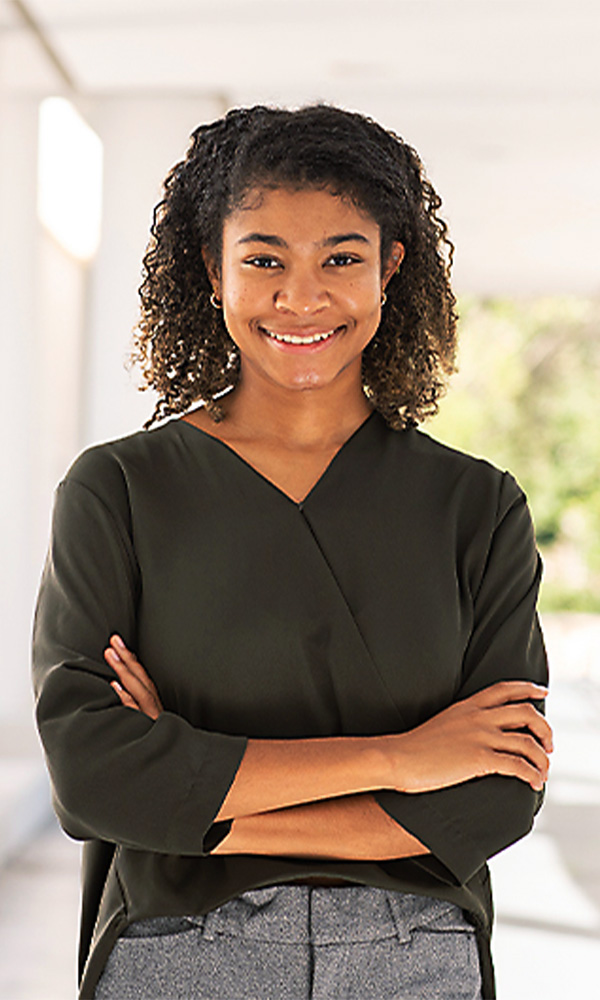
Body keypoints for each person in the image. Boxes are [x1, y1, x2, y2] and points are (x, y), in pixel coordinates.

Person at [32, 104, 552, 1000]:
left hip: (417, 952)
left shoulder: (476, 506)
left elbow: (495, 792)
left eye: (341, 259)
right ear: (212, 267)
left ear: (391, 267)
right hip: (179, 948)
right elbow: (94, 777)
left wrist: (197, 795)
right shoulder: (118, 490)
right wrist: (403, 759)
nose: (300, 297)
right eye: (264, 258)